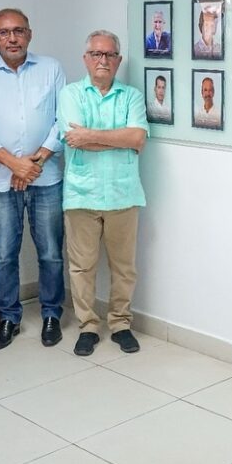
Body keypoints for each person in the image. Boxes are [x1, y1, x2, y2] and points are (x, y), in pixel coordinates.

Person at [0, 8, 66, 350]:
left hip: (46, 178)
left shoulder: (51, 68)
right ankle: (9, 317)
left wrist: (36, 161)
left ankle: (52, 314)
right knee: (4, 255)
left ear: (29, 34)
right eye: (4, 33)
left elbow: (62, 119)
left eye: (19, 31)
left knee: (50, 253)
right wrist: (14, 165)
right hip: (0, 182)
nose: (12, 38)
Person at [58, 30, 149, 355]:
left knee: (124, 268)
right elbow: (73, 139)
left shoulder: (131, 96)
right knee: (82, 268)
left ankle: (121, 324)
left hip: (123, 194)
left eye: (109, 54)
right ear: (86, 59)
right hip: (82, 194)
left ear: (118, 60)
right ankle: (88, 326)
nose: (103, 60)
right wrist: (118, 138)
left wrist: (91, 136)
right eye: (96, 54)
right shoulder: (70, 94)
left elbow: (137, 138)